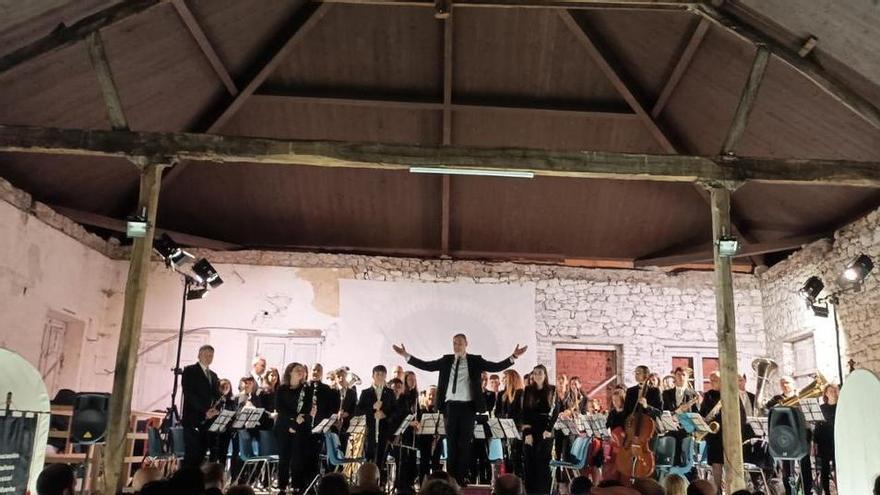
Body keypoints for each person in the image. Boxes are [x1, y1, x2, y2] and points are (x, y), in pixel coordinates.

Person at [393, 334, 527, 486]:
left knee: (464, 444)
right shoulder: (446, 360)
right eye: (454, 343)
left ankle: (460, 478)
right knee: (451, 444)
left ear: (466, 344)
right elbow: (426, 365)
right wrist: (406, 355)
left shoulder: (475, 360)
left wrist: (514, 356)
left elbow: (494, 366)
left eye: (460, 343)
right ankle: (451, 479)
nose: (456, 346)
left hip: (468, 407)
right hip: (450, 406)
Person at [766, 376, 813, 495]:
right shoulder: (777, 399)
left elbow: (809, 416)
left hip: (802, 433)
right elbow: (767, 407)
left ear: (793, 384)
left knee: (804, 464)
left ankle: (807, 490)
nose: (784, 385)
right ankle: (789, 491)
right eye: (782, 383)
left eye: (787, 382)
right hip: (785, 436)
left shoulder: (802, 396)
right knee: (786, 466)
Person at [275, 362, 315, 495]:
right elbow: (280, 408)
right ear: (290, 372)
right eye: (297, 370)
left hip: (300, 427)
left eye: (302, 370)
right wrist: (293, 418)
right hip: (283, 426)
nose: (301, 372)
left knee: (298, 458)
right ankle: (282, 487)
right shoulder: (281, 389)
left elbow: (307, 409)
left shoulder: (307, 389)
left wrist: (296, 423)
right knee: (284, 458)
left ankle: (296, 487)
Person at [521, 364, 559, 495]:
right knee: (529, 462)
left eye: (540, 373)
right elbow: (524, 413)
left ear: (545, 375)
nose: (537, 375)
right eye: (535, 373)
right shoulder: (528, 390)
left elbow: (555, 411)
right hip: (531, 429)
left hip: (546, 430)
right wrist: (527, 433)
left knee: (542, 463)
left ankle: (544, 492)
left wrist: (548, 429)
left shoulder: (552, 390)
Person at [181, 344, 220, 467]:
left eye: (211, 356)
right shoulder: (190, 370)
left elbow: (216, 395)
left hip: (207, 422)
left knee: (202, 454)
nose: (209, 358)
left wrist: (215, 409)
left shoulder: (213, 375)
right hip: (193, 419)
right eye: (206, 355)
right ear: (199, 355)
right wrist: (204, 411)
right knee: (192, 454)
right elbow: (189, 394)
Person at [357, 365, 396, 485]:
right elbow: (358, 411)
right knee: (369, 459)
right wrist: (372, 408)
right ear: (373, 376)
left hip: (384, 432)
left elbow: (395, 411)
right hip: (370, 432)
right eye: (377, 374)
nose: (380, 376)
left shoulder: (389, 393)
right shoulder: (366, 392)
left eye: (383, 374)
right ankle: (367, 484)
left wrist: (385, 415)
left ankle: (380, 485)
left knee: (381, 460)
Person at [498, 369, 524, 478]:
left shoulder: (520, 393)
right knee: (506, 455)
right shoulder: (501, 394)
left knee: (516, 454)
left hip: (517, 427)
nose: (503, 381)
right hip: (504, 427)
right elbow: (498, 412)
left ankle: (518, 478)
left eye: (505, 378)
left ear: (511, 379)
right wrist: (503, 418)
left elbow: (522, 411)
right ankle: (507, 478)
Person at [815, 383, 838, 495]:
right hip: (824, 441)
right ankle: (827, 491)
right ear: (826, 394)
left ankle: (840, 488)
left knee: (838, 468)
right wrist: (814, 442)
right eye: (830, 391)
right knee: (824, 469)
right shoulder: (821, 408)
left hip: (837, 441)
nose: (832, 393)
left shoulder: (841, 406)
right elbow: (817, 426)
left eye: (834, 391)